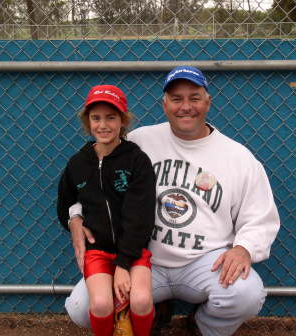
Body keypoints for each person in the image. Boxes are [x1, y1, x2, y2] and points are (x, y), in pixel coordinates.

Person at [65, 67, 280, 336]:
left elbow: (261, 215)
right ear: (164, 104)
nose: (186, 107)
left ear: (208, 102)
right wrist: (74, 216)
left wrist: (245, 248)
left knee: (246, 294)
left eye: (195, 97)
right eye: (177, 99)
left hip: (204, 262)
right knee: (81, 307)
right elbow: (91, 180)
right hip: (141, 259)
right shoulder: (138, 141)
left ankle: (201, 327)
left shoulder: (238, 157)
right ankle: (155, 308)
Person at [57, 84, 156, 336]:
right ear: (87, 121)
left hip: (133, 251)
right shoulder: (78, 163)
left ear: (123, 120)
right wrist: (74, 219)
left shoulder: (136, 160)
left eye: (111, 117)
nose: (103, 125)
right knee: (101, 304)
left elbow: (141, 217)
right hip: (97, 251)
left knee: (141, 300)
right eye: (96, 118)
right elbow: (65, 204)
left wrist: (123, 264)